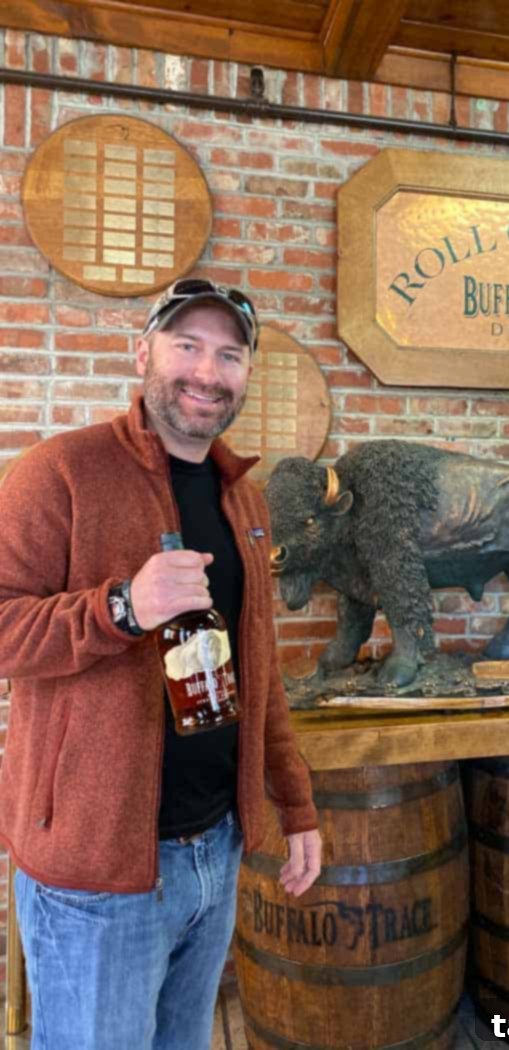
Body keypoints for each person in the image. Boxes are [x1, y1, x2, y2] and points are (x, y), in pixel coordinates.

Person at [0, 278, 322, 1050]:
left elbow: (260, 670)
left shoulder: (244, 499)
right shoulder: (60, 471)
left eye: (229, 356)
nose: (208, 372)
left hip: (215, 848)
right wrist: (121, 610)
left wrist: (296, 804)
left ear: (247, 374)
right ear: (142, 353)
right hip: (98, 871)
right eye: (188, 346)